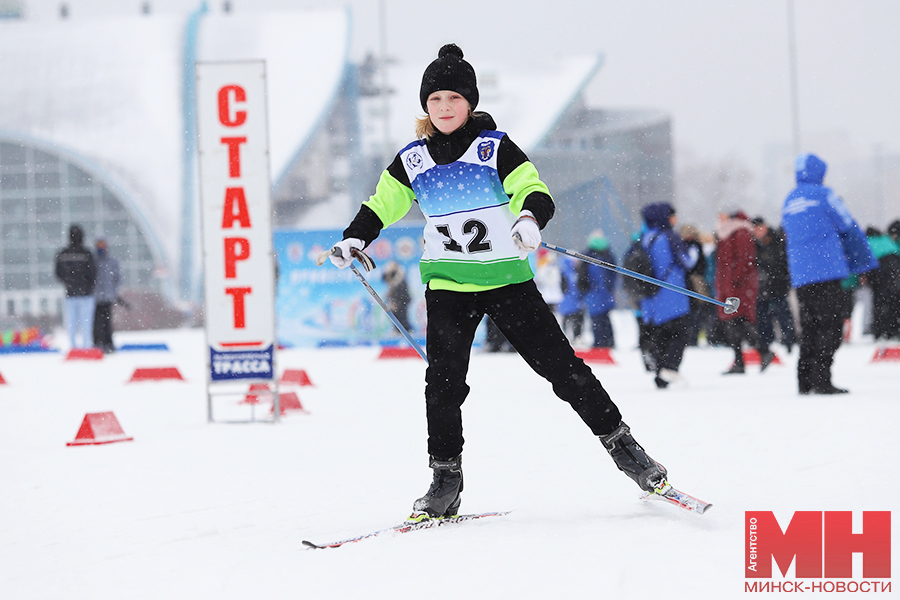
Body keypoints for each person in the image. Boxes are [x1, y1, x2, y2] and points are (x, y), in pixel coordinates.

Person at [324, 44, 669, 519]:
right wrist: (352, 240)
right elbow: (380, 205)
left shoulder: (493, 149)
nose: (444, 108)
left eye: (454, 98)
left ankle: (628, 451)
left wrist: (529, 218)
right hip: (448, 288)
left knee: (564, 371)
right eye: (435, 99)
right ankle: (445, 479)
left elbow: (533, 189)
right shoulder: (413, 160)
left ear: (469, 102)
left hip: (508, 282)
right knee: (443, 385)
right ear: (426, 106)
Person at [781, 153, 878, 394]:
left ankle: (804, 380)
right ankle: (822, 379)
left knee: (810, 325)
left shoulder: (789, 200)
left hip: (801, 275)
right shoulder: (824, 195)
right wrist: (863, 262)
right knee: (830, 326)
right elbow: (848, 225)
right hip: (827, 270)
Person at [638, 202, 697, 389]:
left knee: (660, 335)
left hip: (652, 298)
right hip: (672, 294)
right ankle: (669, 367)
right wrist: (694, 248)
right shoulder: (669, 236)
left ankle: (660, 373)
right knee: (679, 334)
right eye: (672, 215)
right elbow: (687, 262)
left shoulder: (646, 238)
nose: (675, 219)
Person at [715, 210, 769, 374]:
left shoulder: (740, 232)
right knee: (734, 323)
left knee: (739, 321)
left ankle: (760, 352)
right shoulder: (728, 233)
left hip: (739, 287)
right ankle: (746, 357)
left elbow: (745, 260)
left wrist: (733, 280)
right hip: (729, 286)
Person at [751, 217, 795, 355]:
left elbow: (783, 263)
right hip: (762, 286)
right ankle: (767, 343)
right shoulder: (754, 245)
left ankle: (789, 341)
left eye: (759, 228)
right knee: (763, 316)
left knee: (783, 314)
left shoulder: (777, 240)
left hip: (779, 284)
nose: (758, 231)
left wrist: (783, 280)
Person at [54, 224, 96, 349]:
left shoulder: (63, 254)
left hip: (71, 294)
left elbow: (58, 273)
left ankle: (73, 347)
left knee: (71, 323)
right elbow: (93, 273)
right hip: (86, 295)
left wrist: (69, 283)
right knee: (86, 324)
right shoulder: (87, 254)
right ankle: (86, 347)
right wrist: (86, 285)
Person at [578, 230, 617, 348]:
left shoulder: (588, 256)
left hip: (595, 294)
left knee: (598, 320)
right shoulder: (608, 256)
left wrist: (584, 290)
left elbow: (582, 278)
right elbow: (612, 277)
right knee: (603, 319)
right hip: (602, 294)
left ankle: (601, 344)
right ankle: (607, 342)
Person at [864, 227, 900, 340]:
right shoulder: (887, 240)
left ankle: (880, 331)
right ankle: (894, 330)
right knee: (895, 300)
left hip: (880, 270)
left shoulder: (867, 242)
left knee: (880, 300)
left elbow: (864, 262)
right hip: (896, 267)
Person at [92, 239, 121, 353]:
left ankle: (108, 343)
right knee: (96, 321)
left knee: (107, 322)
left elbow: (117, 278)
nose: (101, 248)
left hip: (107, 297)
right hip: (95, 297)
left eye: (103, 245)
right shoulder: (94, 261)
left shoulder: (112, 261)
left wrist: (113, 292)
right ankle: (97, 343)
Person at [381, 261, 413, 332]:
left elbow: (401, 289)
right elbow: (384, 279)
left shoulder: (400, 274)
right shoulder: (390, 275)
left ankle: (405, 330)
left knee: (402, 315)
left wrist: (396, 301)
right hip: (396, 297)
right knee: (395, 316)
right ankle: (399, 330)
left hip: (401, 298)